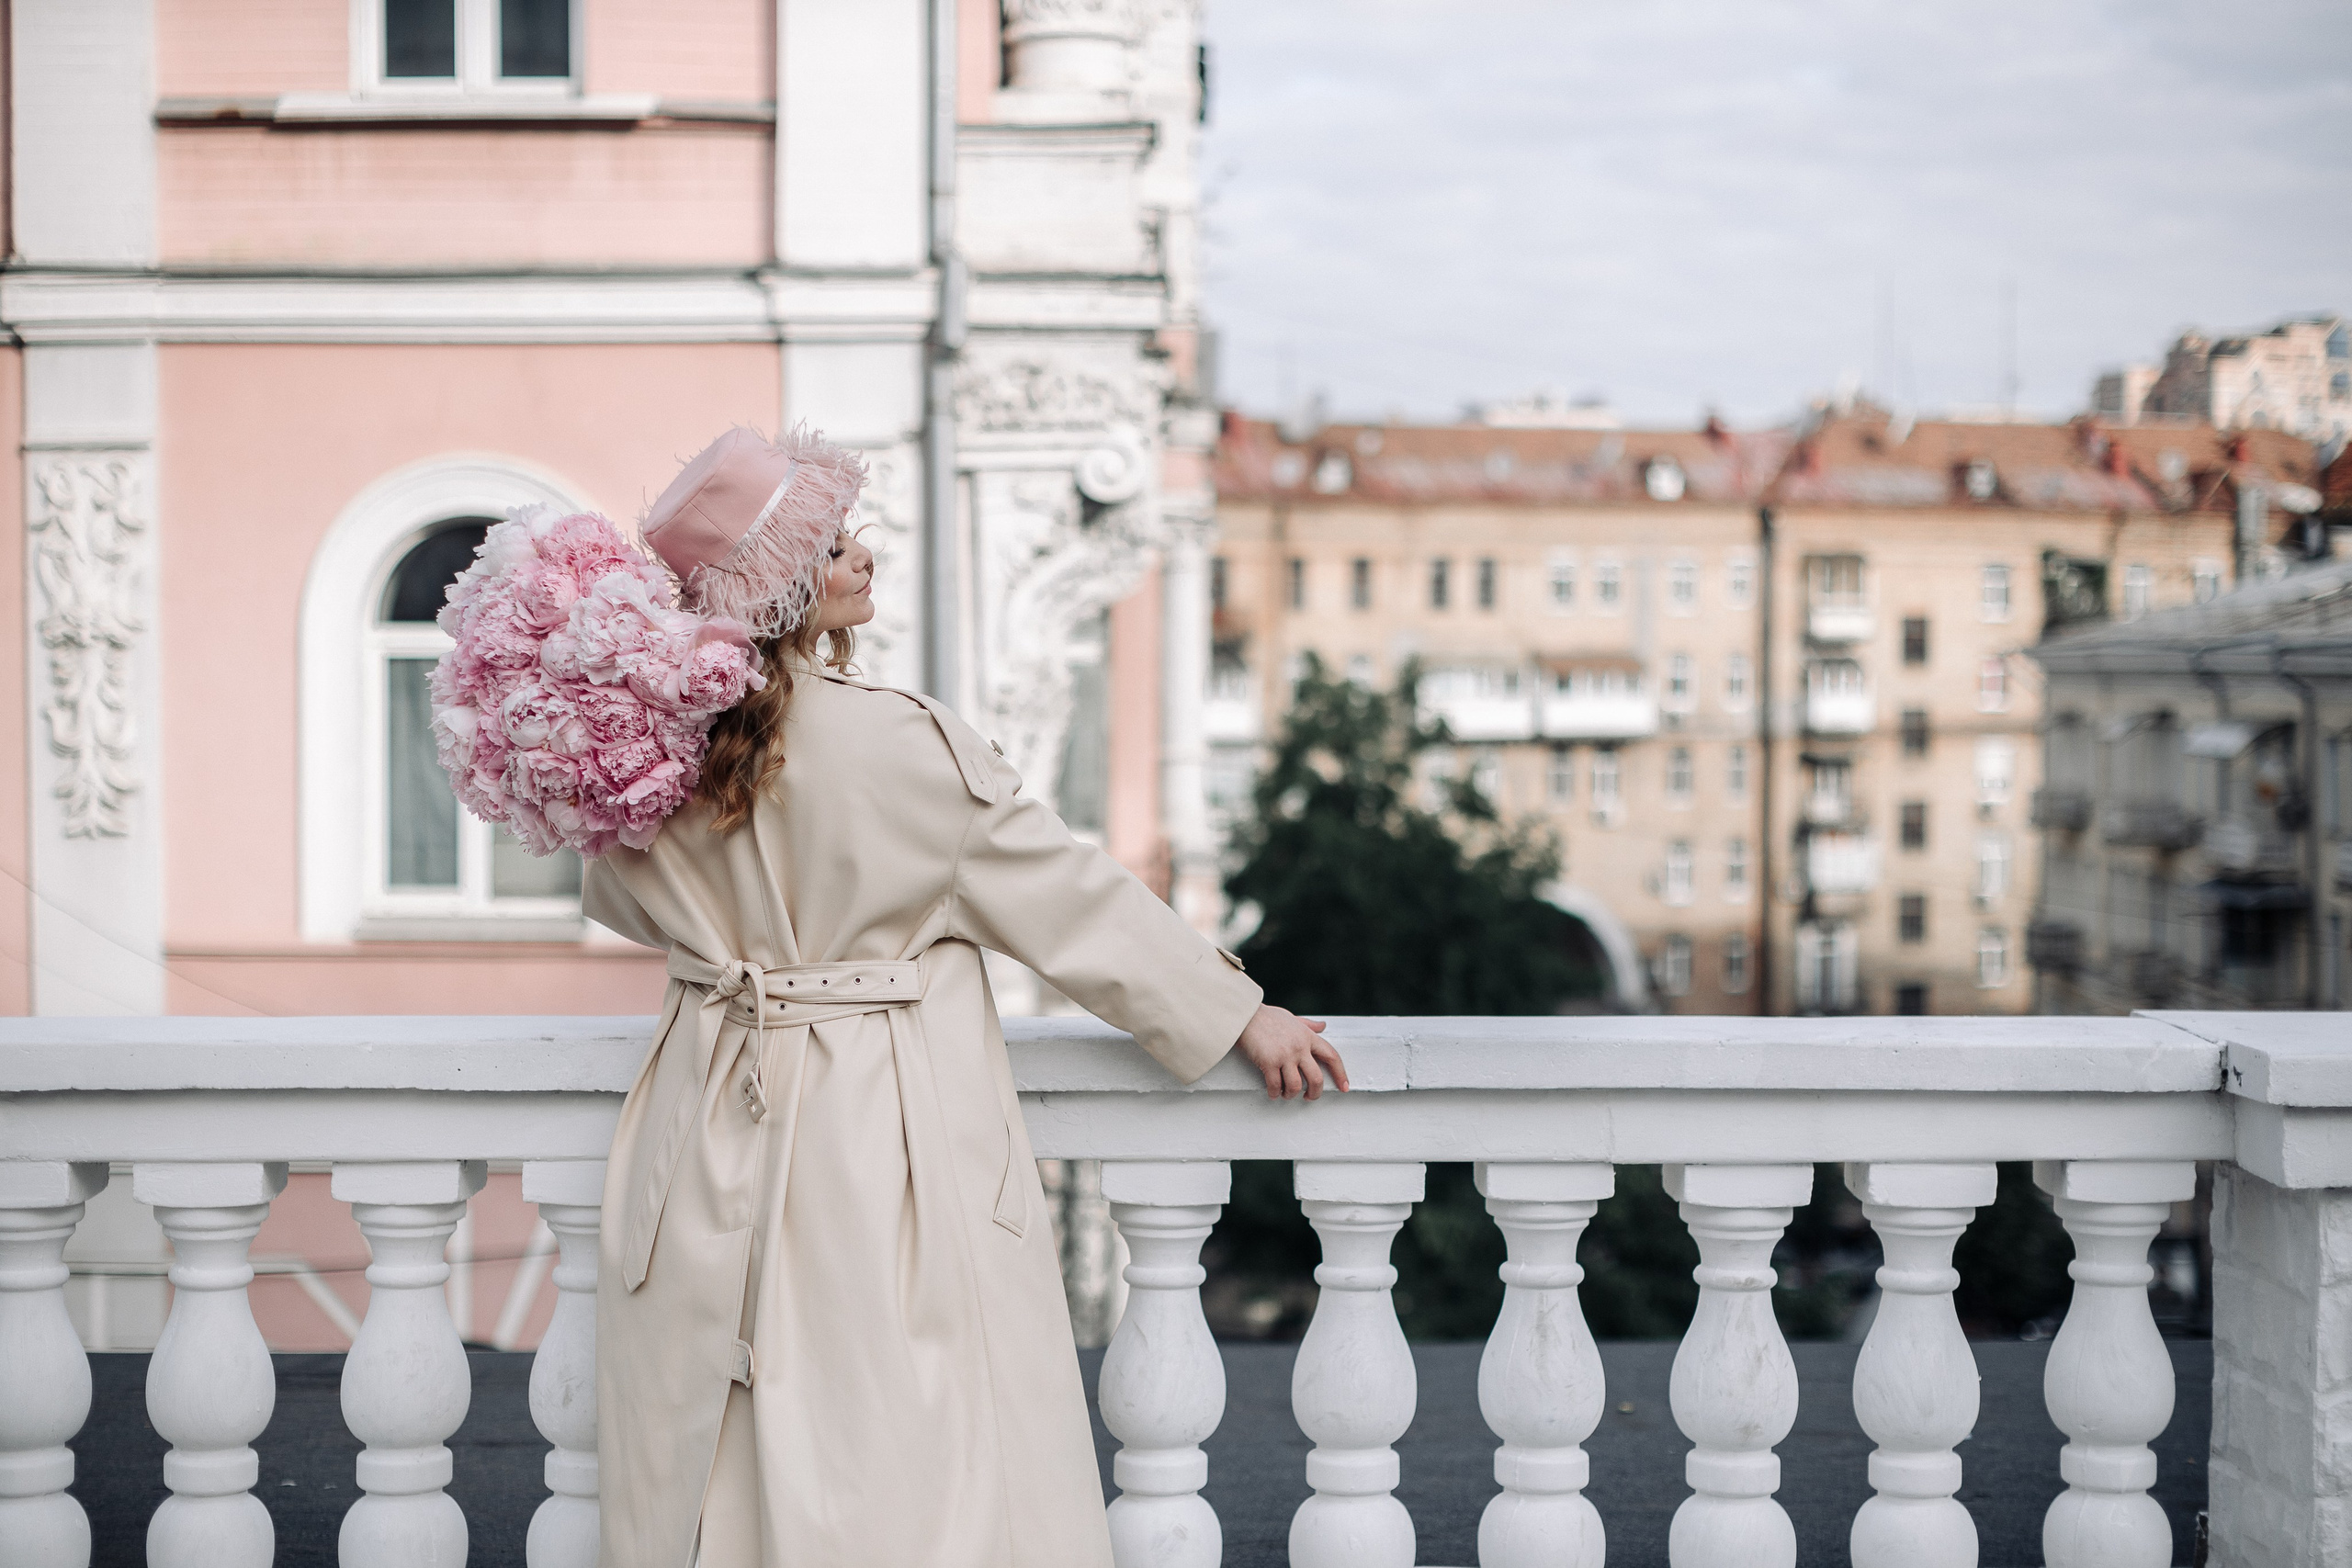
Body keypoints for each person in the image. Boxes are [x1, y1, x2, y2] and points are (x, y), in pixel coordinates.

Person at [576, 427, 1350, 1568]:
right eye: (831, 546)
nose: (863, 557)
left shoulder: (651, 761)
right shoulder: (902, 746)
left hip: (701, 1123)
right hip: (868, 1135)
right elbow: (1070, 902)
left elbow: (621, 903)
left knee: (710, 1439)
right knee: (893, 1446)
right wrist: (1241, 1016)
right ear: (782, 590)